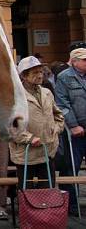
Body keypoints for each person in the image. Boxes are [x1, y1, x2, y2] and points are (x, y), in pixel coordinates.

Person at [11, 56, 64, 190]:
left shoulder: (47, 92)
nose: (40, 75)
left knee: (47, 188)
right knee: (26, 190)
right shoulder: (15, 96)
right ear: (23, 75)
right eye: (35, 73)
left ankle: (47, 212)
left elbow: (58, 115)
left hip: (48, 150)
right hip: (26, 153)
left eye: (41, 72)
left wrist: (56, 129)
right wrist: (29, 138)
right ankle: (28, 212)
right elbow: (11, 126)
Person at [54, 48, 86, 215]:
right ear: (74, 61)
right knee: (70, 168)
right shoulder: (65, 77)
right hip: (75, 132)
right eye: (84, 60)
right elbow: (62, 104)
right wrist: (73, 125)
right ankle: (71, 204)